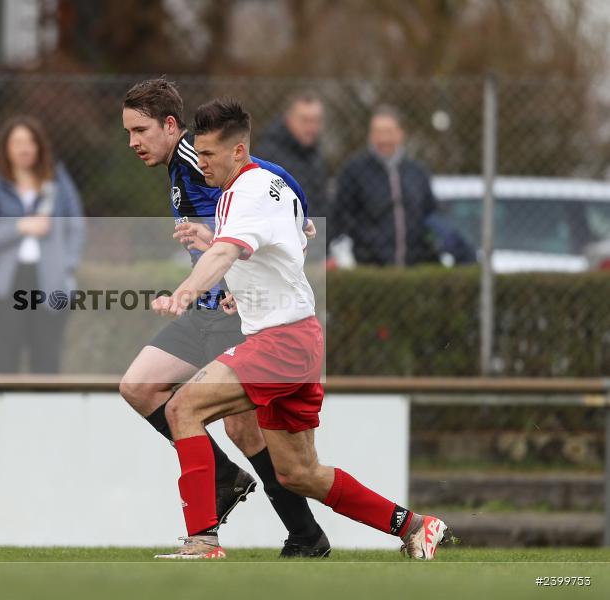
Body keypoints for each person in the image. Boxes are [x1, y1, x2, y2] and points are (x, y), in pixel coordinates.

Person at [150, 98, 448, 560]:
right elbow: (287, 245)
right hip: (297, 338)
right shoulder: (261, 184)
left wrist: (186, 291)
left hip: (280, 343)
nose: (199, 162)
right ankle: (416, 526)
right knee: (299, 472)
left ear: (238, 151)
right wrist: (242, 288)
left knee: (182, 408)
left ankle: (202, 541)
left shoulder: (246, 193)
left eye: (207, 154)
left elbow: (228, 252)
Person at [120, 78, 329, 558]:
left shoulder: (194, 156)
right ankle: (232, 484)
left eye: (140, 130)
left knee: (242, 429)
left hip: (231, 311)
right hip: (207, 308)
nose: (132, 142)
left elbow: (266, 173)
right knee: (140, 386)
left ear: (170, 125)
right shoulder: (179, 165)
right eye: (128, 132)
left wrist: (299, 216)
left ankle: (302, 534)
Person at [0, 116, 85, 373]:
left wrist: (66, 266)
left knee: (47, 357)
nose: (24, 148)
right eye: (17, 142)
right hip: (6, 283)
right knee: (3, 358)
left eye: (30, 142)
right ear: (6, 148)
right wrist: (19, 227)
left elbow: (76, 226)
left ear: (40, 146)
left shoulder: (58, 182)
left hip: (49, 281)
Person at [333, 105, 439, 266]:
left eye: (389, 132)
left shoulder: (417, 172)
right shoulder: (354, 170)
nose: (383, 139)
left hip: (413, 266)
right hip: (369, 266)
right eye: (377, 132)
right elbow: (342, 215)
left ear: (401, 134)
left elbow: (429, 214)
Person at [255, 89, 328, 219]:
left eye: (316, 121)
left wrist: (320, 231)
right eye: (305, 120)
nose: (311, 128)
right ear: (289, 120)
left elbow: (321, 206)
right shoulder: (267, 156)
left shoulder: (316, 157)